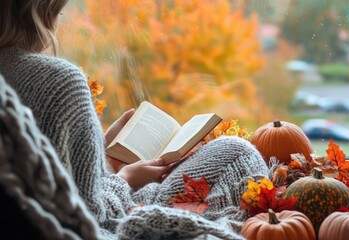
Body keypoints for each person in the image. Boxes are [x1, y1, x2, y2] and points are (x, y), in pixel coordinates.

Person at [0, 0, 269, 239]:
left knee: (230, 152)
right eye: (59, 13)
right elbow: (88, 215)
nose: (58, 23)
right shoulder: (58, 80)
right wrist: (125, 178)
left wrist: (97, 154)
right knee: (236, 152)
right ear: (40, 12)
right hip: (105, 219)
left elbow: (46, 171)